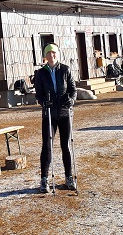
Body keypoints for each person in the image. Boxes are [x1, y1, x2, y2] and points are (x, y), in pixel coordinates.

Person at [34, 43, 77, 193]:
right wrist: (43, 102)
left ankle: (69, 177)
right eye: (48, 53)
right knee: (47, 146)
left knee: (66, 145)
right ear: (45, 56)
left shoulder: (65, 70)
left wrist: (71, 100)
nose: (51, 55)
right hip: (49, 115)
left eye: (53, 53)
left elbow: (73, 90)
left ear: (57, 54)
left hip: (65, 114)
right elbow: (38, 94)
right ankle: (44, 179)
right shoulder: (41, 73)